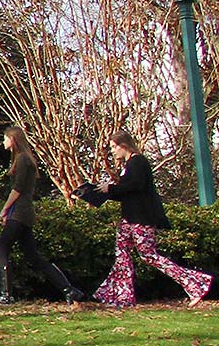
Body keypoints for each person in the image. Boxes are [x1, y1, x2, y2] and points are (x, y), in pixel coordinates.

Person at [83, 131, 212, 307]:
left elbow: (135, 186)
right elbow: (128, 193)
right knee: (122, 257)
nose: (113, 151)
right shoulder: (129, 165)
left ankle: (196, 285)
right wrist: (99, 193)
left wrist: (111, 188)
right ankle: (120, 297)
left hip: (141, 219)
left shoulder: (138, 162)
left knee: (149, 255)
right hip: (128, 219)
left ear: (124, 145)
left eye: (114, 147)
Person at [0, 125, 85, 304]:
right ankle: (68, 289)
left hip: (19, 212)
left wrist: (5, 209)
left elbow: (17, 188)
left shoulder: (21, 160)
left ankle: (6, 295)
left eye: (5, 138)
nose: (3, 141)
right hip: (25, 212)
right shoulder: (26, 159)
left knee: (2, 249)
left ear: (13, 139)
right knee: (33, 255)